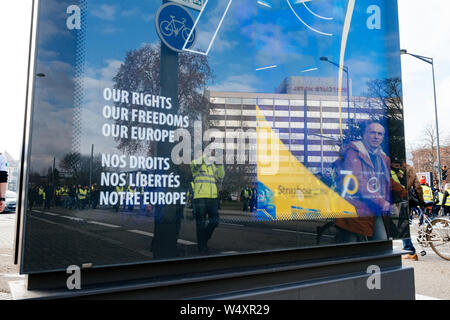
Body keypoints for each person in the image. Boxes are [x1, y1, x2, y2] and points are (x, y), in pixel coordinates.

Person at [335, 121, 391, 242]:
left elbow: (386, 180)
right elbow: (357, 179)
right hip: (355, 205)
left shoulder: (382, 157)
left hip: (372, 205)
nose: (376, 136)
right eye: (373, 133)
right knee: (350, 244)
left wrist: (404, 193)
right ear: (364, 135)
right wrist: (381, 201)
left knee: (381, 240)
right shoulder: (354, 152)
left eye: (380, 134)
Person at [191, 154, 224, 253]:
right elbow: (198, 162)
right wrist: (206, 153)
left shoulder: (212, 165)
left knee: (215, 221)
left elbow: (221, 176)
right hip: (200, 197)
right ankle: (202, 247)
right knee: (200, 223)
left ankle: (203, 240)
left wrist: (220, 164)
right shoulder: (194, 164)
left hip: (212, 197)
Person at [401, 163, 425, 260]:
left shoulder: (392, 167)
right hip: (407, 200)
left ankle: (409, 250)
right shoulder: (410, 169)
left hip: (397, 200)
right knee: (404, 224)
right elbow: (418, 187)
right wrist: (421, 201)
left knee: (401, 225)